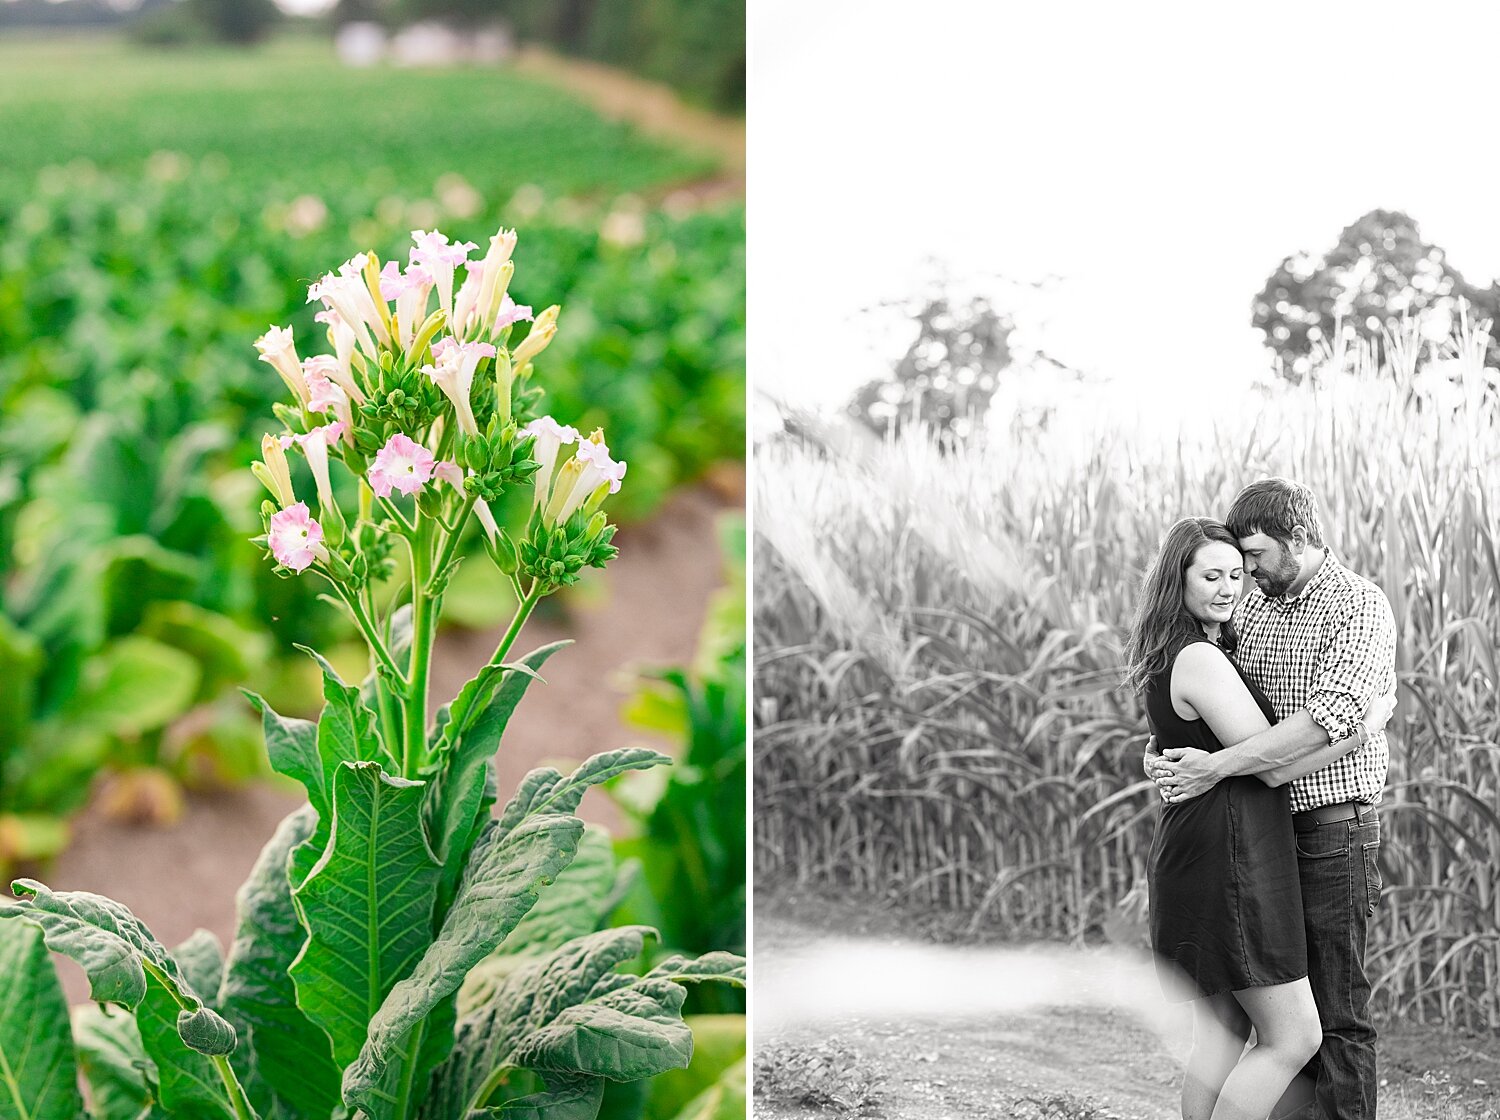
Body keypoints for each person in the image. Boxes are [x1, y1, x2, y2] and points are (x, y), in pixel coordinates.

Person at [1125, 516, 1394, 1120]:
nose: (1229, 588)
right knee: (1293, 1037)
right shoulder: (1200, 657)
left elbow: (1191, 742)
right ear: (1179, 580)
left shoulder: (1186, 649)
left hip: (1204, 846)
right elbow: (1270, 767)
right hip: (1232, 856)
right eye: (1211, 575)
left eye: (1238, 574)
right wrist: (1365, 727)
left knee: (1218, 1039)